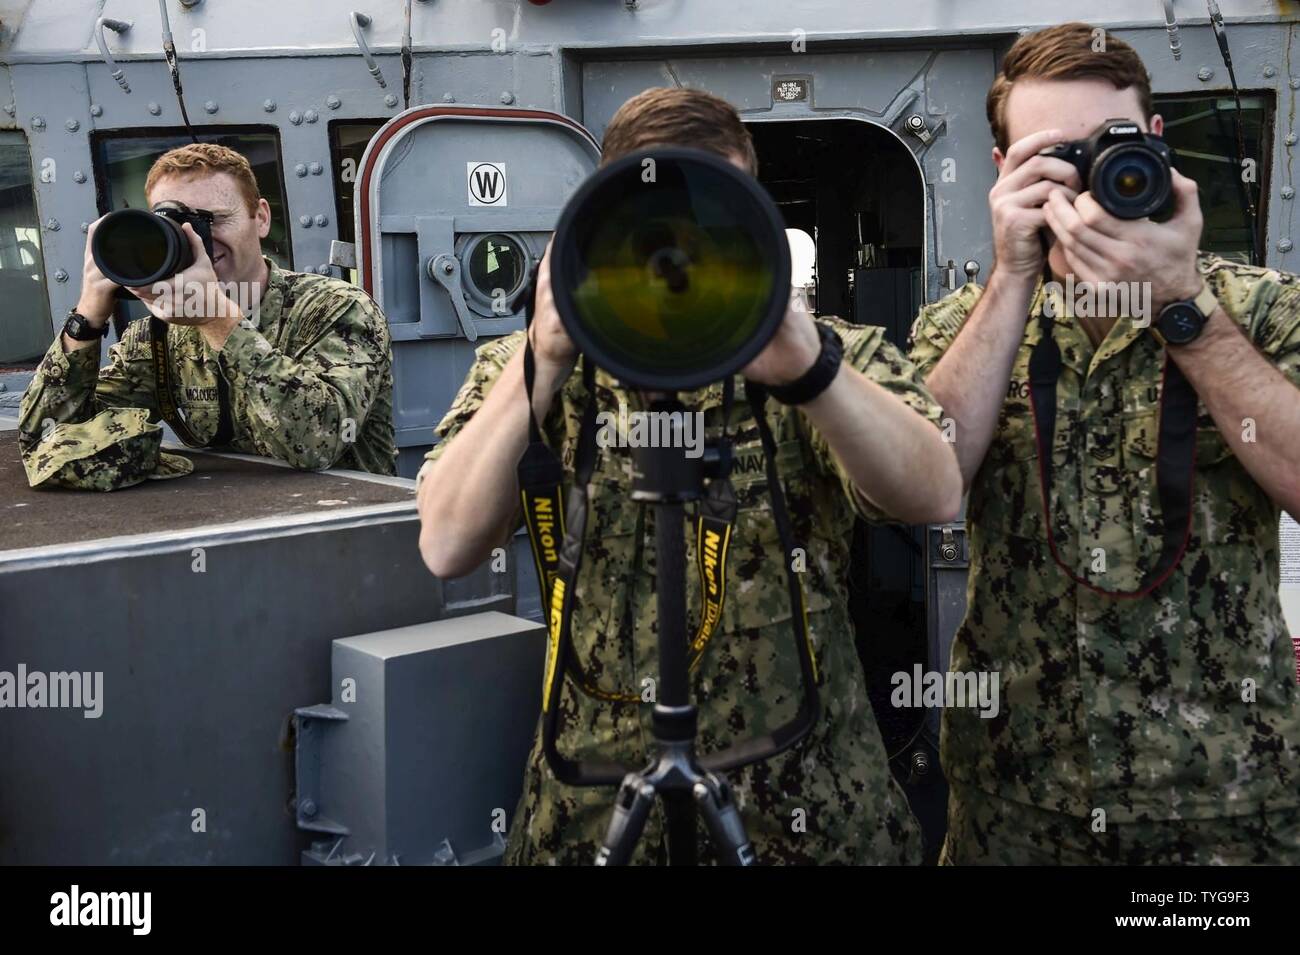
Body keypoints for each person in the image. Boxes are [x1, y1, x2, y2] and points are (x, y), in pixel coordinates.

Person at [417, 87, 962, 864]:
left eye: (714, 216)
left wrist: (809, 368)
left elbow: (935, 490)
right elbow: (446, 543)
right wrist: (543, 353)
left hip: (808, 810)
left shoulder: (823, 357)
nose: (678, 249)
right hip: (594, 807)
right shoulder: (530, 370)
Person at [910, 22, 1300, 863]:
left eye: (1107, 151)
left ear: (1156, 146)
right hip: (1016, 799)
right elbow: (925, 483)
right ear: (1003, 173)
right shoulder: (958, 329)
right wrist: (1012, 278)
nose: (1091, 183)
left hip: (1228, 800)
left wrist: (1181, 307)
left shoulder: (1260, 310)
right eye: (1056, 160)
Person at [19, 142, 395, 489]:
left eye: (211, 220)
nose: (196, 241)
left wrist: (216, 319)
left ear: (260, 218)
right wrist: (88, 315)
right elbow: (49, 440)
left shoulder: (336, 308)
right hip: (222, 528)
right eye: (176, 228)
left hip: (343, 527)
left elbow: (319, 444)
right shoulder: (159, 334)